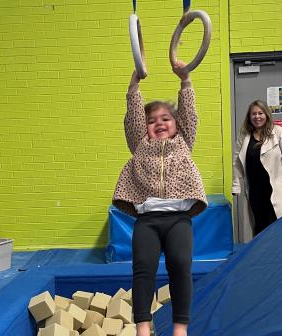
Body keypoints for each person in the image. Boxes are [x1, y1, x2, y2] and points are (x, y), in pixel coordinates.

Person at [112, 61, 207, 336]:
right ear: (145, 129)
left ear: (177, 126)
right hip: (148, 219)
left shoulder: (184, 142)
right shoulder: (140, 144)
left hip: (178, 219)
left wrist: (185, 80)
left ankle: (180, 328)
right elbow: (132, 119)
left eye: (166, 119)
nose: (159, 123)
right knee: (143, 268)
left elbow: (190, 114)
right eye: (152, 121)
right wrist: (134, 85)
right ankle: (143, 325)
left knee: (180, 264)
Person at [232, 100, 282, 236]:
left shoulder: (279, 133)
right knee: (259, 225)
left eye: (260, 113)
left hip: (276, 189)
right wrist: (236, 185)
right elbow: (236, 162)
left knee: (278, 224)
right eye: (253, 114)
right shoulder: (244, 136)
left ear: (266, 115)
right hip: (255, 192)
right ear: (249, 117)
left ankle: (280, 254)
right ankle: (262, 256)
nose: (257, 117)